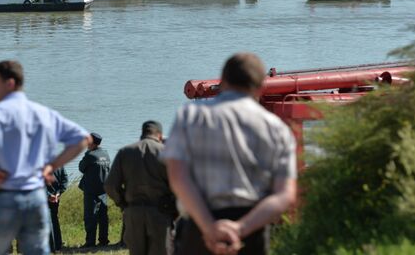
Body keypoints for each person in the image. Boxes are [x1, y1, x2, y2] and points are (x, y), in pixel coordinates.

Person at [162, 53, 298, 255]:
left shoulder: (190, 115)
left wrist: (208, 226)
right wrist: (240, 228)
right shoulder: (276, 128)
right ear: (261, 86)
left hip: (198, 229)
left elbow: (177, 176)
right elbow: (284, 194)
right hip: (251, 232)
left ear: (222, 81)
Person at [0, 60, 91, 255]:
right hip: (36, 196)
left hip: (4, 195)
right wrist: (52, 165)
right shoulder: (42, 113)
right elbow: (82, 139)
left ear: (10, 83)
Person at [105, 121, 175, 255]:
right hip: (161, 212)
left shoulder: (125, 152)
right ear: (159, 135)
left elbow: (110, 185)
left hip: (133, 213)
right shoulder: (166, 152)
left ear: (142, 134)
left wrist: (123, 203)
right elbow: (179, 184)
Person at [79, 132, 111, 248]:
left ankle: (90, 242)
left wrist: (87, 153)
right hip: (104, 190)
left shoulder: (90, 155)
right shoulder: (106, 154)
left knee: (90, 216)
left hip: (91, 191)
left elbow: (81, 167)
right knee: (103, 216)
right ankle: (103, 240)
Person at [47, 166, 69, 253]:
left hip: (46, 197)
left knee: (49, 221)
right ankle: (58, 245)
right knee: (54, 219)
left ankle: (52, 247)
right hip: (56, 197)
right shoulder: (59, 163)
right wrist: (59, 192)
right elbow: (65, 179)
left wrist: (48, 195)